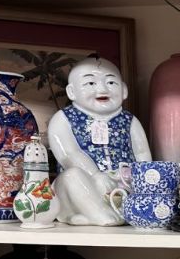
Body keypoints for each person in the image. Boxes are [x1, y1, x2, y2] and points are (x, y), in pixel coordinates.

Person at [48, 55, 151, 226]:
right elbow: (69, 154)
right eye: (90, 83)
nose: (102, 89)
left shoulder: (130, 120)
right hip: (85, 185)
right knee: (72, 176)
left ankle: (115, 213)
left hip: (123, 183)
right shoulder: (63, 119)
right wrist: (95, 175)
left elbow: (142, 153)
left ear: (124, 90)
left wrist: (142, 179)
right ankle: (100, 215)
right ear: (71, 92)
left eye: (111, 82)